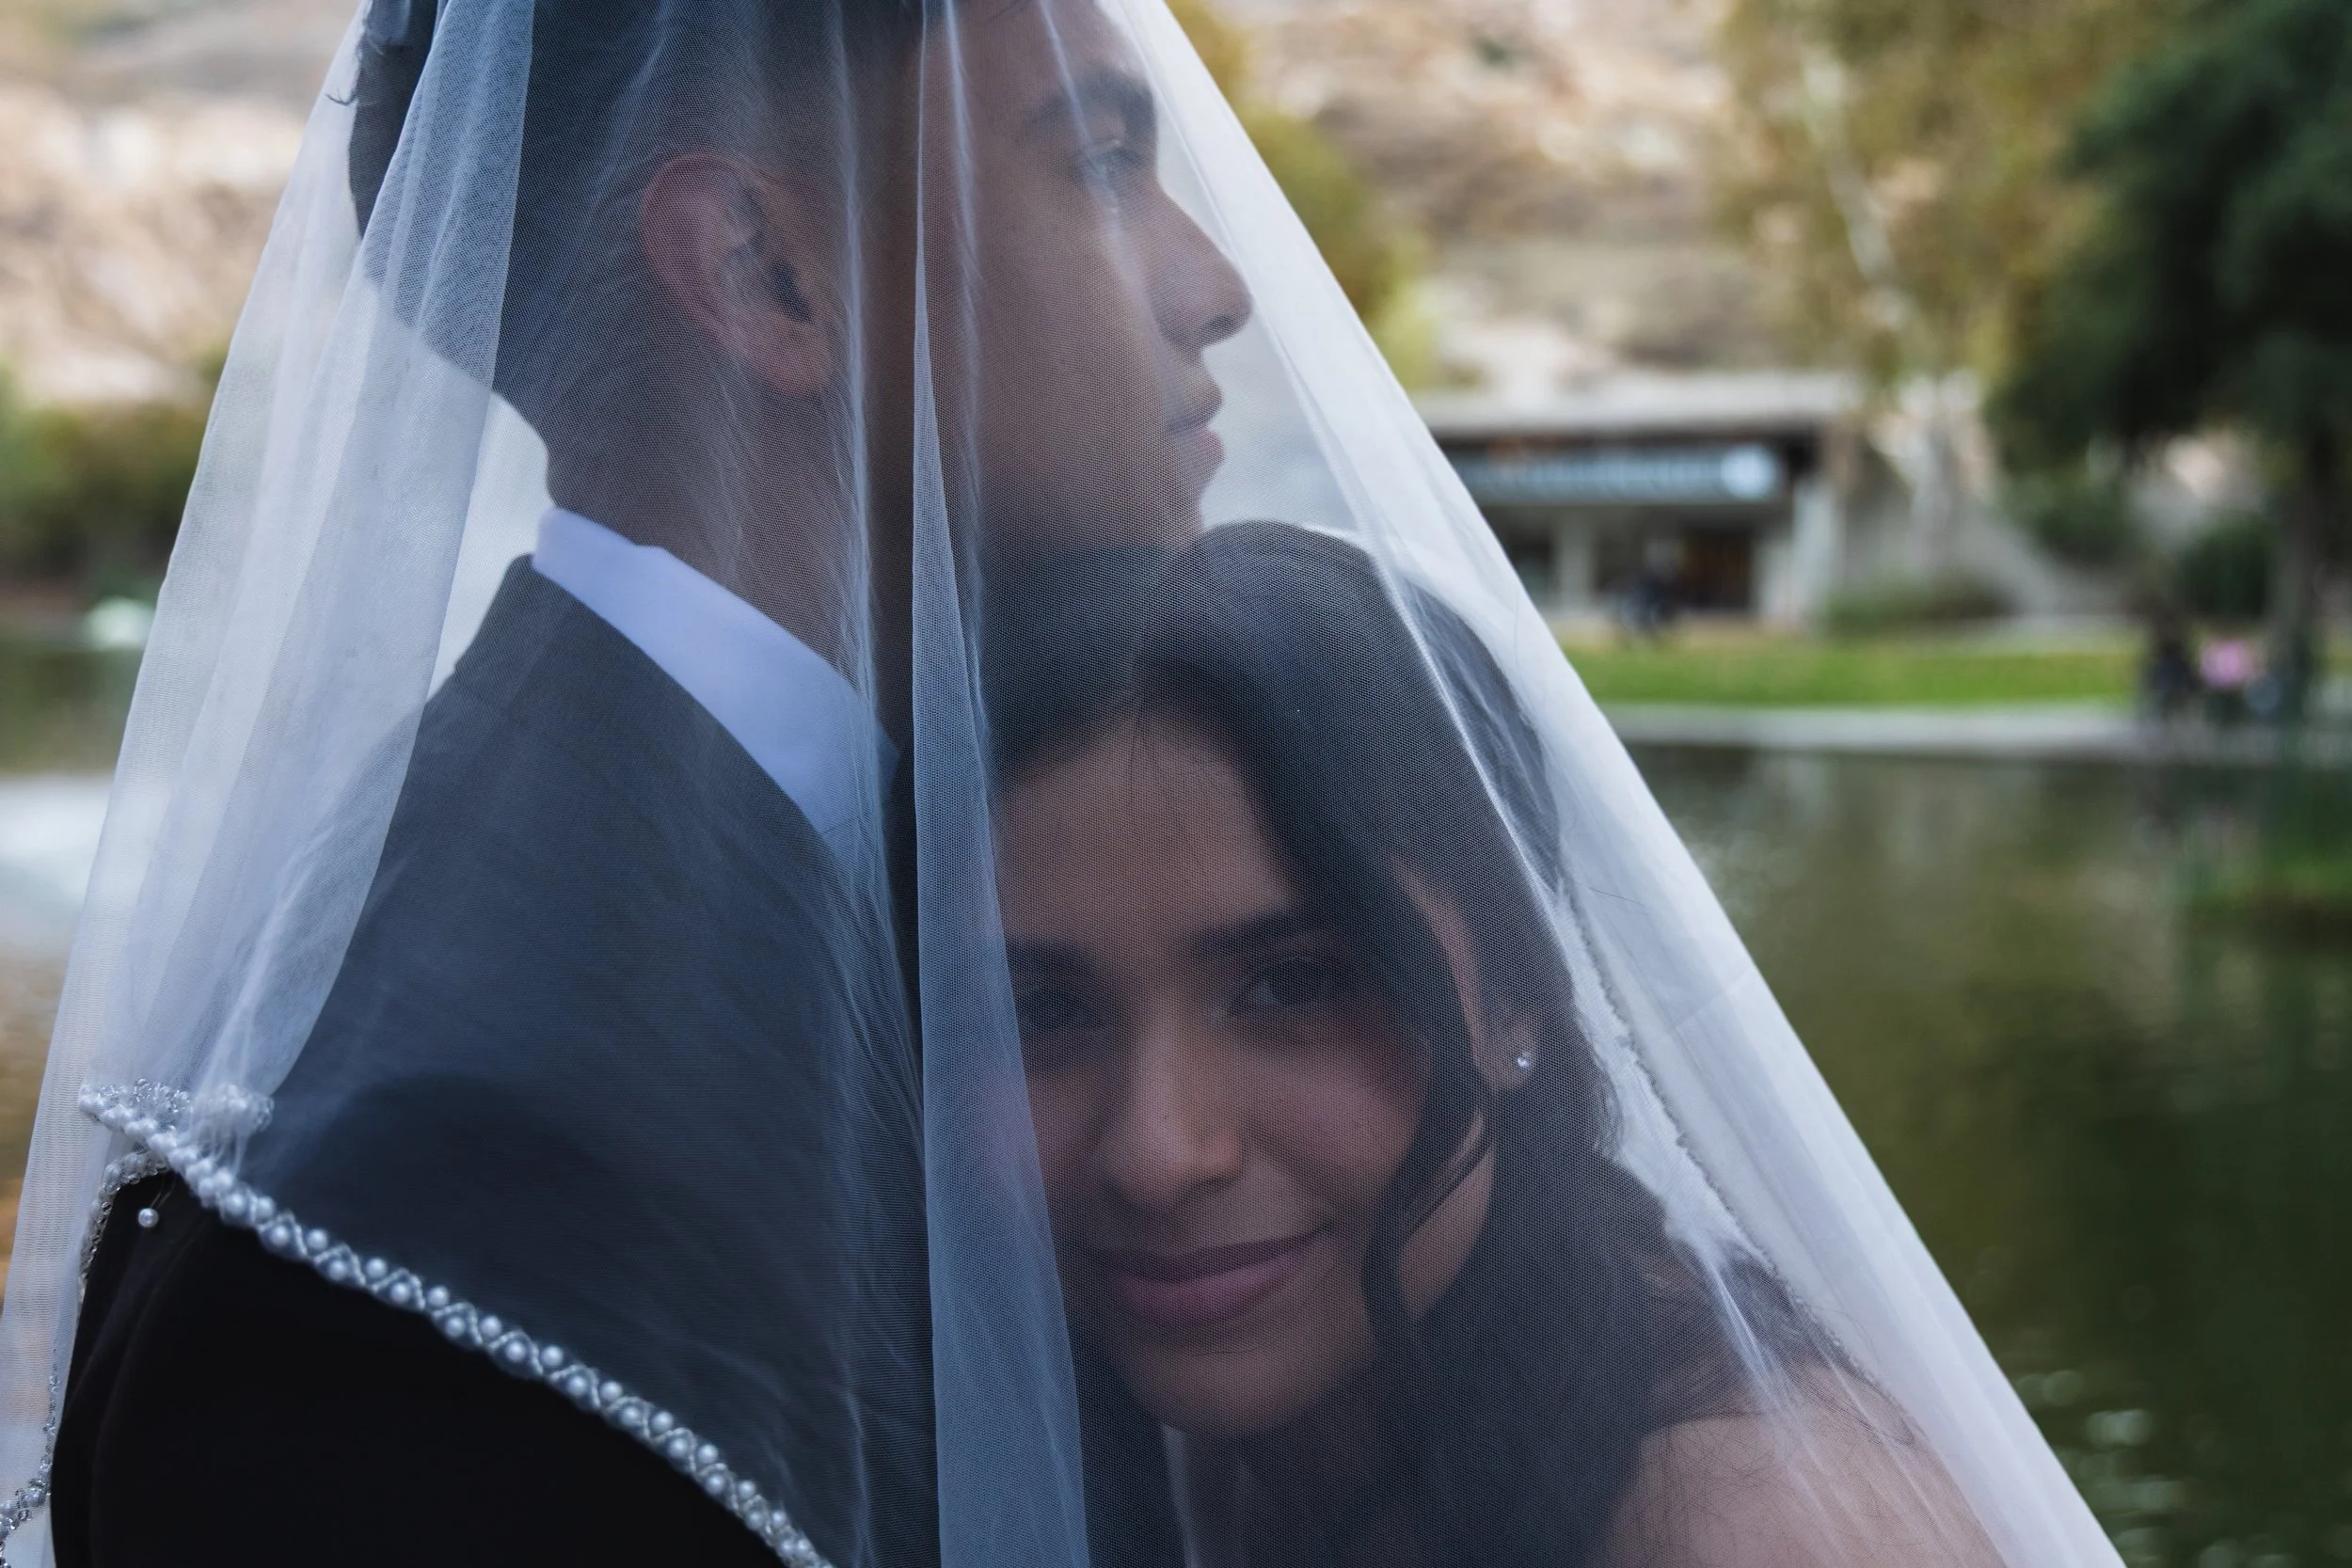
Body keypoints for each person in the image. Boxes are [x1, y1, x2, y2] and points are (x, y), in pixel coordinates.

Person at [19, 0, 1246, 1564]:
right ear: (759, 274)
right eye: (1096, 162)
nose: (1221, 286)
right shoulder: (457, 1187)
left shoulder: (878, 873)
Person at [987, 523, 2001, 1568]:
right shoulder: (1226, 1431)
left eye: (1293, 983)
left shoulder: (1755, 1533)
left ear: (1519, 997)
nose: (1154, 1153)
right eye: (1040, 1010)